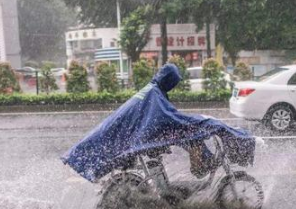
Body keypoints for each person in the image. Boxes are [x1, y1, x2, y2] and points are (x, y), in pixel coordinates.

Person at [62, 64, 255, 183]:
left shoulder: (153, 89)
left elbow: (166, 115)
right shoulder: (154, 93)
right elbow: (168, 117)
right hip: (141, 135)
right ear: (169, 81)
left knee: (191, 135)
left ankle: (201, 163)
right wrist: (199, 121)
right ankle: (200, 166)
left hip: (139, 132)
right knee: (192, 134)